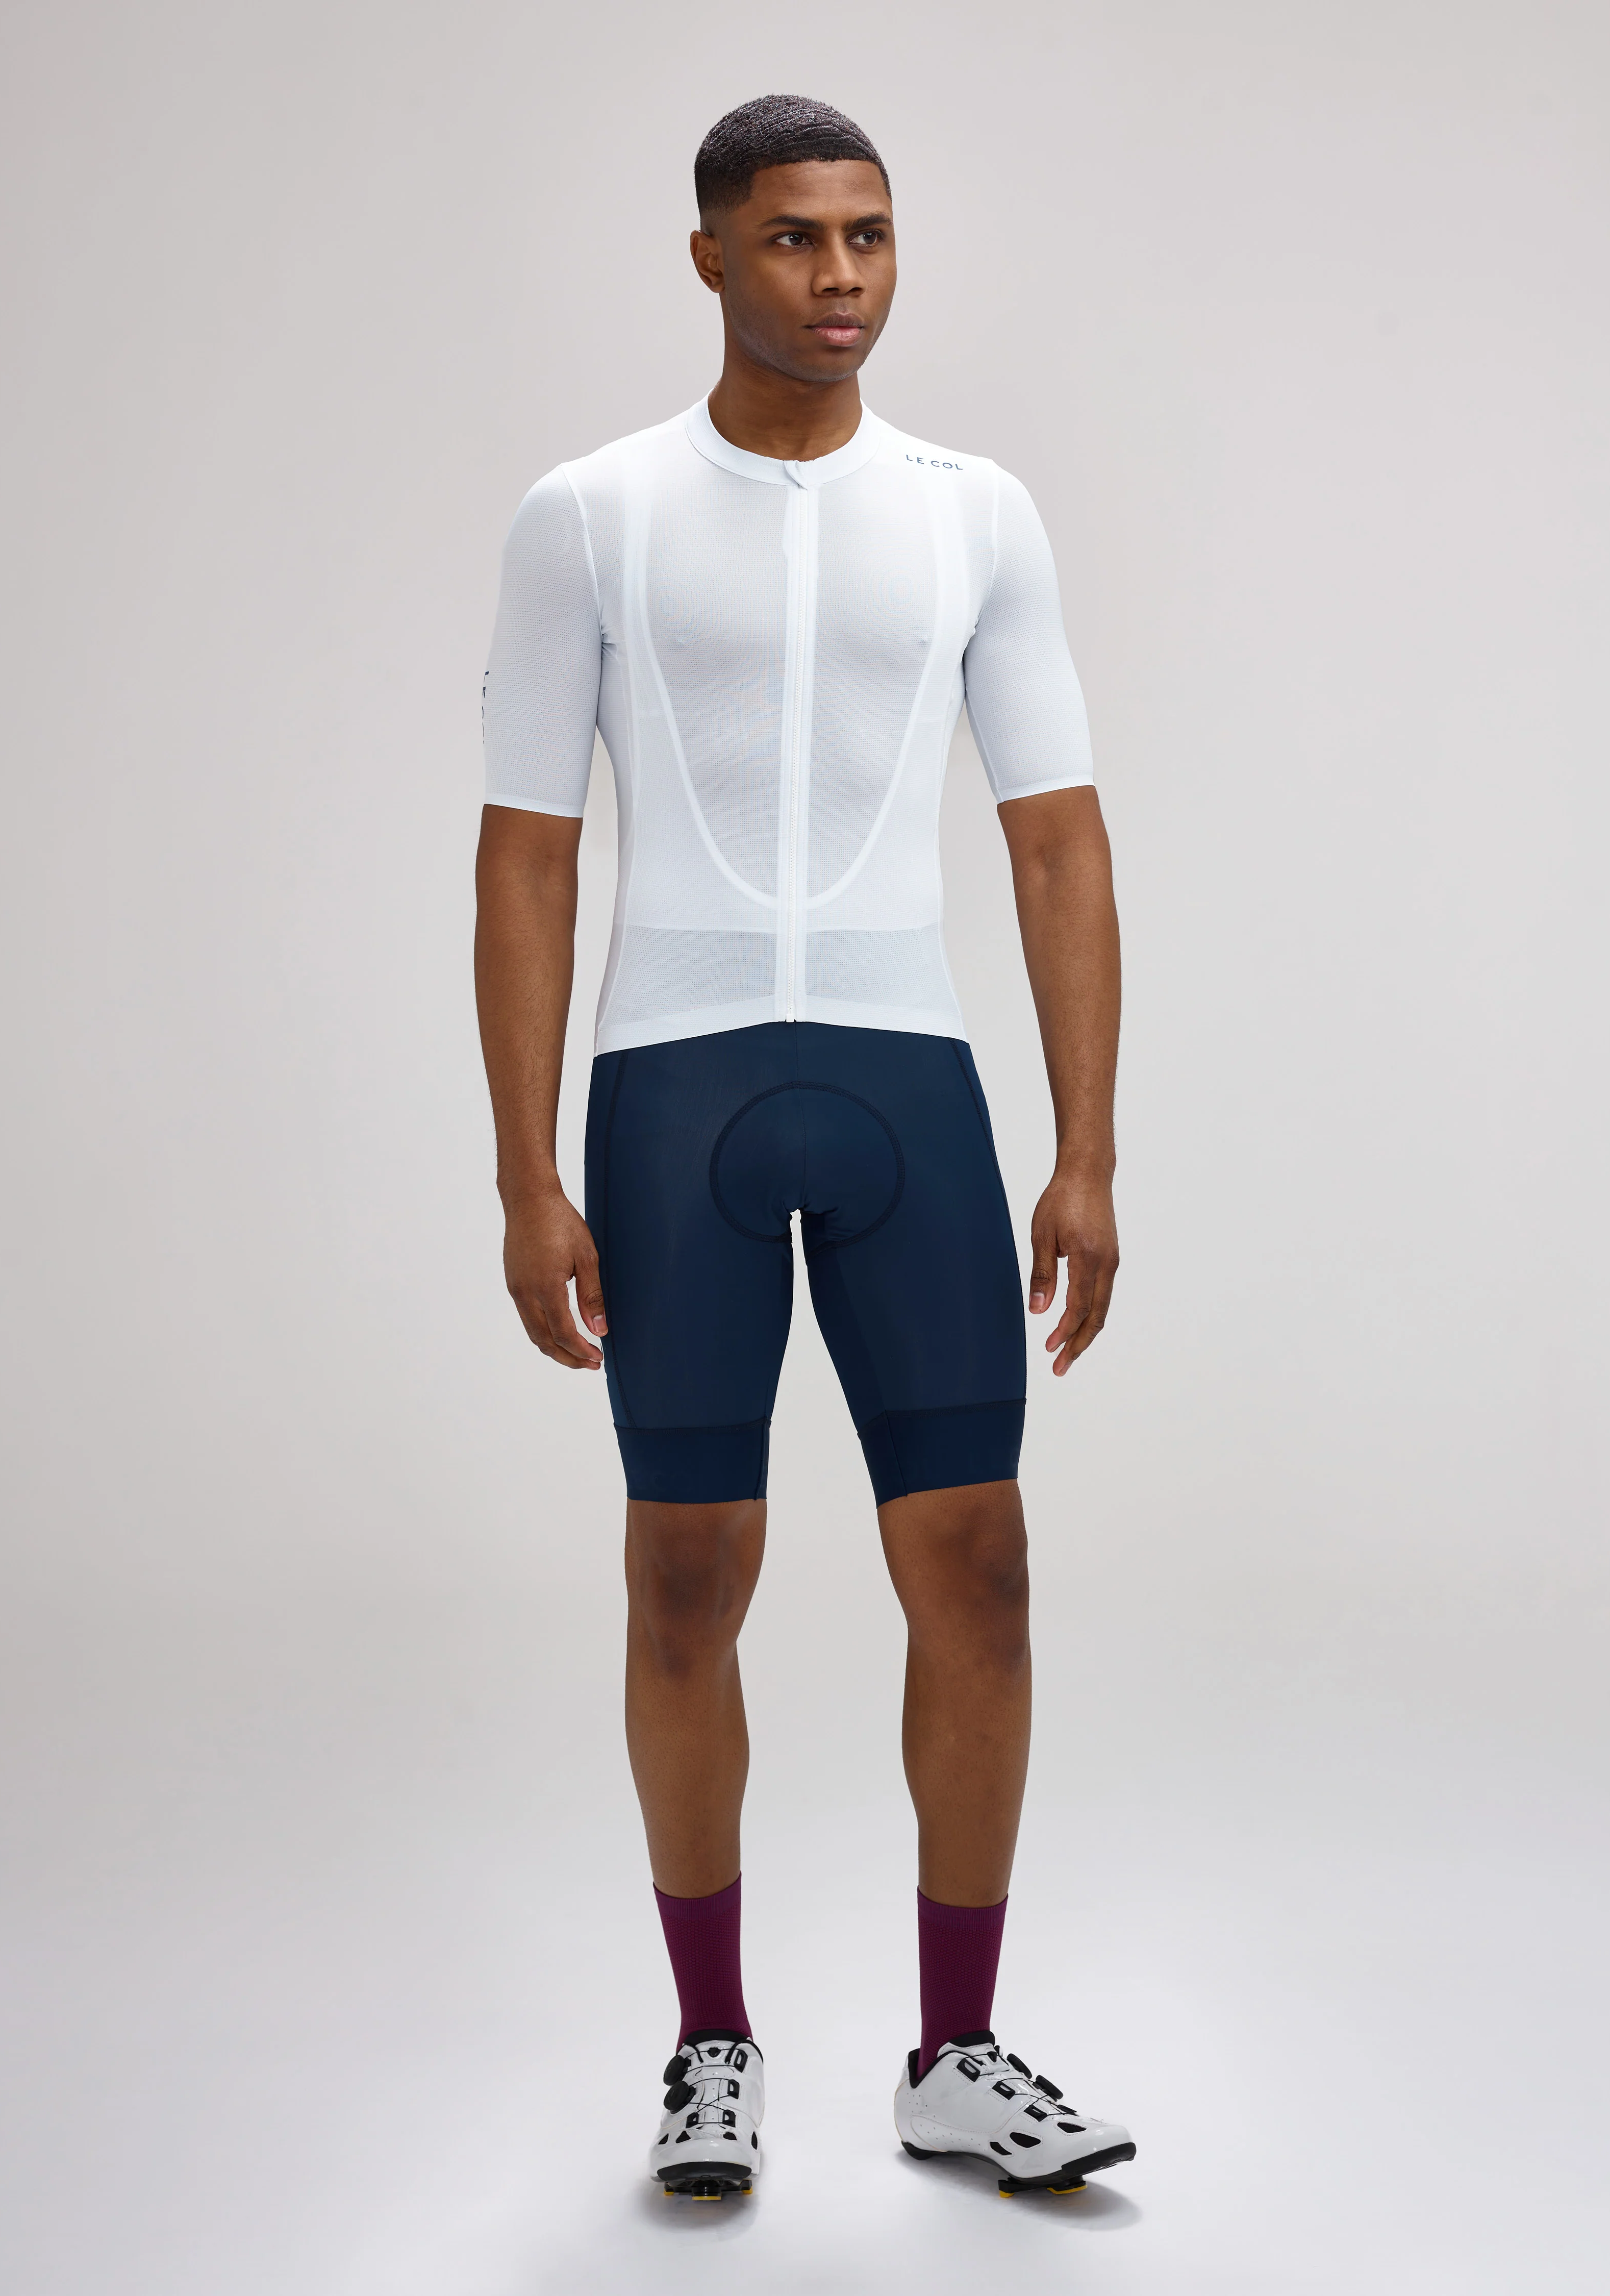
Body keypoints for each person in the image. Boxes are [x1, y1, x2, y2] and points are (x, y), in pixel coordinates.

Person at [474, 92, 1130, 2199]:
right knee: (685, 1573)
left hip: (904, 1076)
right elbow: (526, 855)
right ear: (709, 258)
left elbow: (1057, 842)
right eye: (791, 238)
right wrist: (526, 1174)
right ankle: (711, 2043)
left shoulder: (973, 513)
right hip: (671, 1083)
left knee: (983, 1568)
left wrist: (1088, 1150)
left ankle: (959, 2051)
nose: (839, 275)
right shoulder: (590, 514)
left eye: (867, 235)